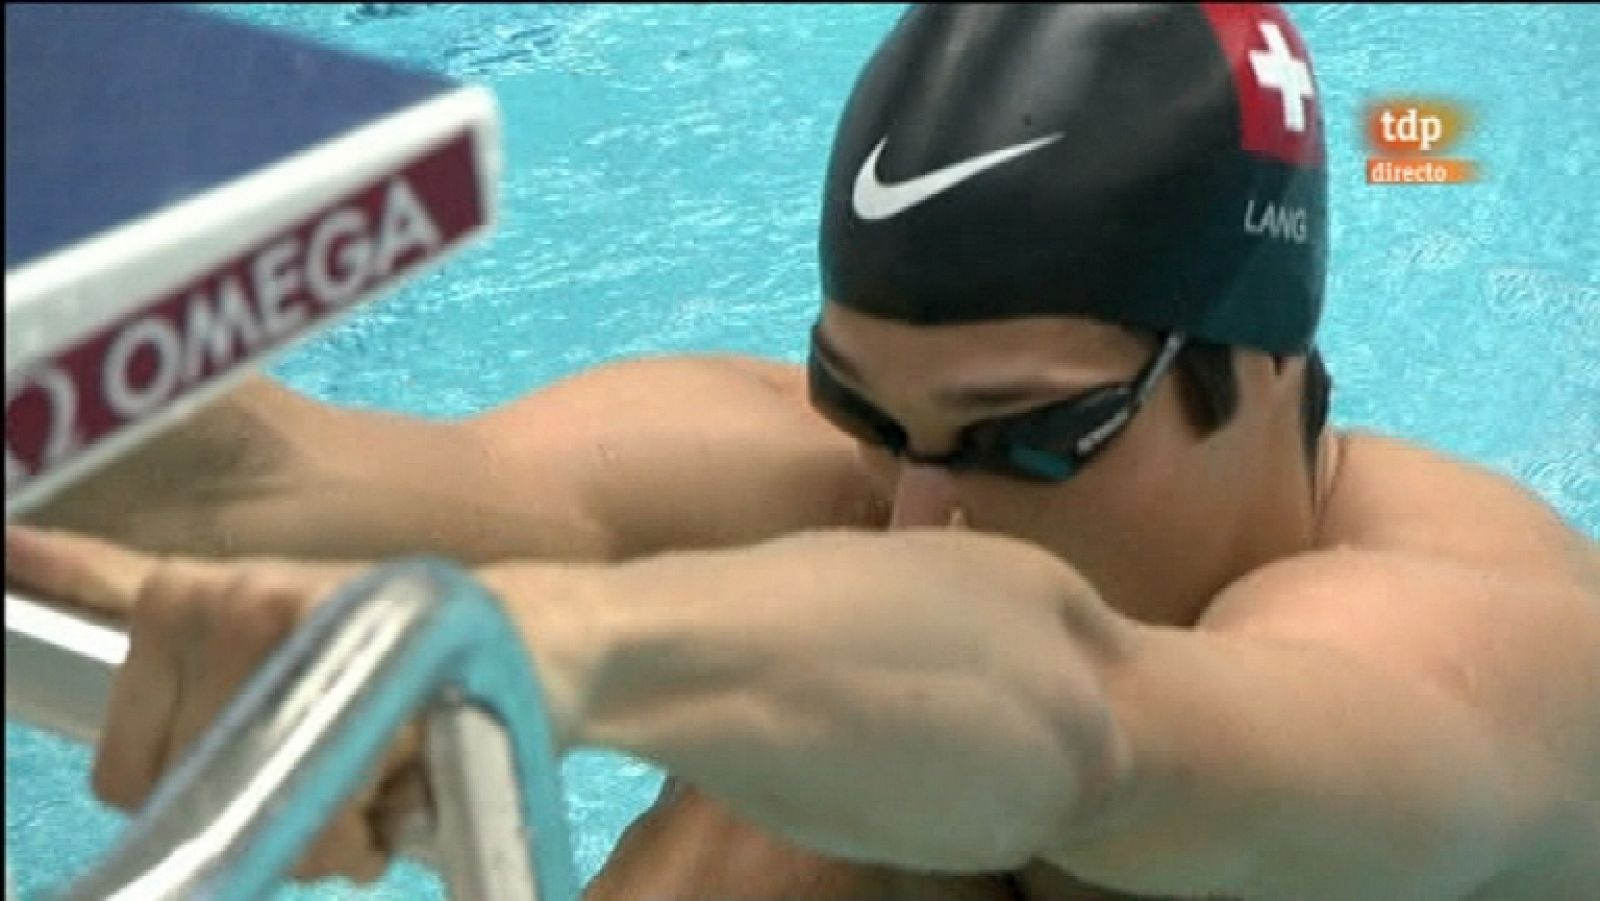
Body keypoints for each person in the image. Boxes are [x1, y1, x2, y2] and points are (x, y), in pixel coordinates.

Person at [9, 4, 1598, 898]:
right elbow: (254, 485)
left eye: (1023, 438)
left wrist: (552, 651)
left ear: (1261, 373)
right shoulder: (824, 475)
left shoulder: (1477, 647)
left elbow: (1078, 717)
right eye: (865, 410)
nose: (915, 514)